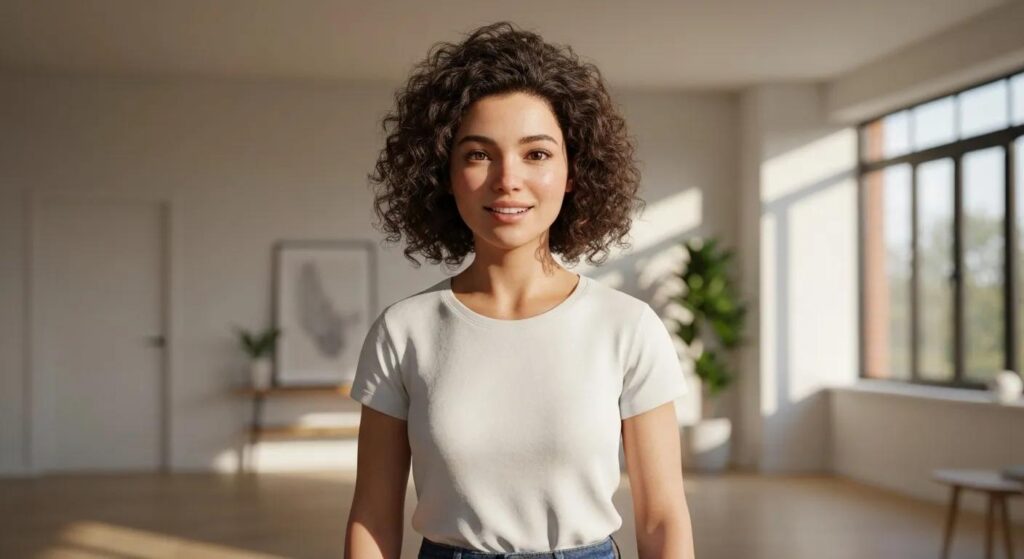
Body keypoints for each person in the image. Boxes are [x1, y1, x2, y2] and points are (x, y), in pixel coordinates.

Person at [344, 21, 696, 559]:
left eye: (536, 154)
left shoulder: (627, 327)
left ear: (573, 171)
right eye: (479, 154)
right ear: (445, 172)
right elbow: (372, 516)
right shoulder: (404, 331)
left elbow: (662, 519)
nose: (508, 179)